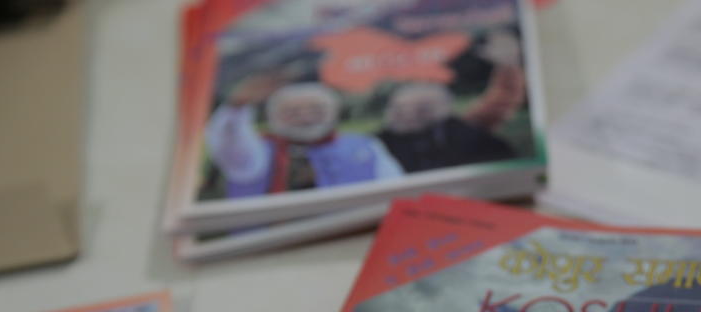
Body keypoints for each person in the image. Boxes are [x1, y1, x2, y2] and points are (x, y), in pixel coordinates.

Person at [205, 78, 403, 198]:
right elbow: (227, 142)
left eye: (316, 109)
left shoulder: (364, 146)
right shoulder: (257, 151)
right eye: (292, 112)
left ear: (334, 113)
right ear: (273, 117)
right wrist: (237, 105)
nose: (306, 117)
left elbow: (395, 189)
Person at [377, 30, 525, 172]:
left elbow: (499, 102)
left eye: (422, 109)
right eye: (400, 108)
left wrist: (508, 65)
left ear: (440, 110)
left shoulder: (459, 131)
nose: (408, 114)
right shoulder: (379, 143)